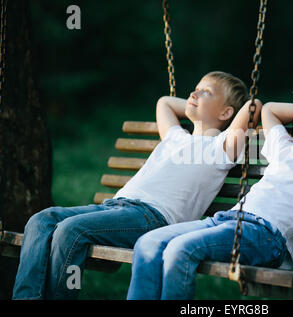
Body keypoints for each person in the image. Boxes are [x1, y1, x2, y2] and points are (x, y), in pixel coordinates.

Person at [126, 77, 293, 300]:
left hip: (267, 236)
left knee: (180, 250)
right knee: (148, 243)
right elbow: (268, 109)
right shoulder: (283, 148)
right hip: (227, 221)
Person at [13, 71, 261, 300]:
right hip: (115, 208)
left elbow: (252, 107)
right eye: (194, 89)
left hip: (152, 218)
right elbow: (164, 101)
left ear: (226, 113)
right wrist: (194, 103)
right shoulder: (176, 136)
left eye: (206, 91)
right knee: (40, 220)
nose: (194, 94)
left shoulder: (222, 147)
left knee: (70, 231)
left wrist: (216, 108)